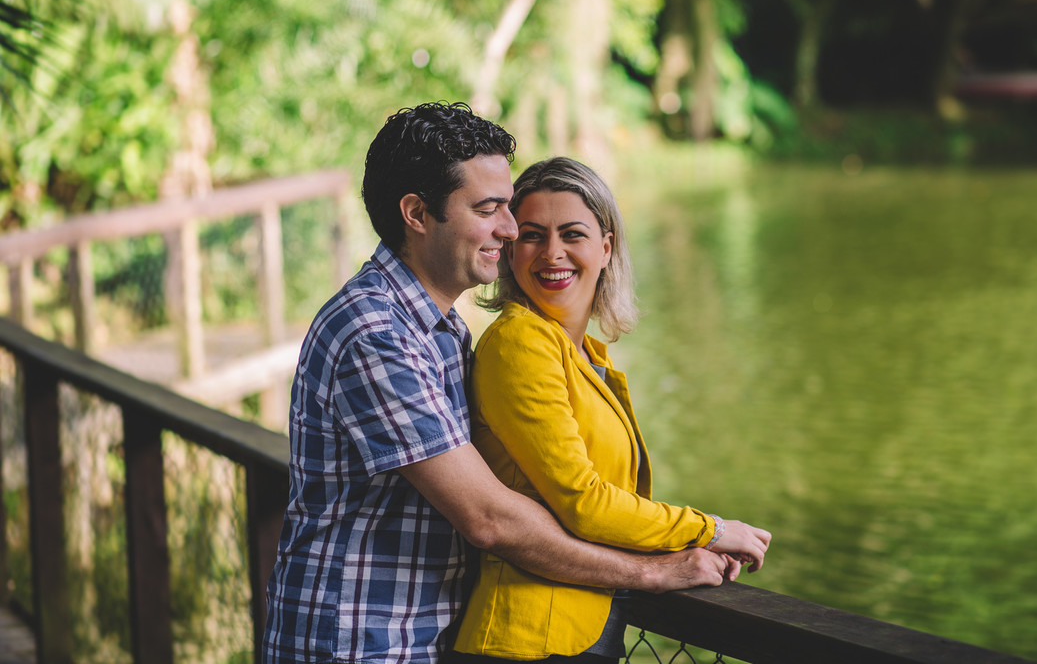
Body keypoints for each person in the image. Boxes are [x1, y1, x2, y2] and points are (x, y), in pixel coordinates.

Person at [261, 103, 734, 664]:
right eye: (488, 209)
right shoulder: (375, 332)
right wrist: (651, 572)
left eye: (507, 207)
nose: (508, 230)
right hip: (356, 643)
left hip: (417, 637)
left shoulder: (443, 330)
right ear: (417, 213)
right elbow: (489, 518)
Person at [452, 158, 772, 662]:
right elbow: (585, 503)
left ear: (606, 248)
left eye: (572, 234)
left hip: (584, 630)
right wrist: (711, 529)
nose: (552, 253)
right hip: (529, 640)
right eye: (532, 236)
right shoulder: (520, 342)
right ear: (511, 250)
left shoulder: (584, 354)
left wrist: (677, 549)